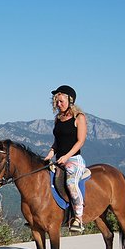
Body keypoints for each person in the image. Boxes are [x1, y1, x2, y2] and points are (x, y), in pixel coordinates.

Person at [43, 85, 88, 233]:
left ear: (70, 100)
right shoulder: (58, 118)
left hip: (74, 159)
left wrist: (67, 156)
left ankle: (78, 218)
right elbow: (57, 141)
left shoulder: (79, 117)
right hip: (59, 160)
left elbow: (80, 141)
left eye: (61, 101)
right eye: (56, 101)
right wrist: (51, 153)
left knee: (70, 183)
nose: (58, 104)